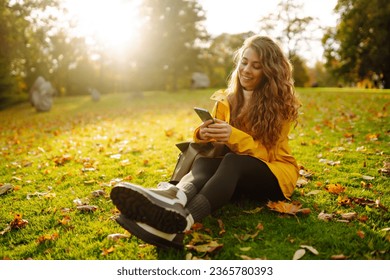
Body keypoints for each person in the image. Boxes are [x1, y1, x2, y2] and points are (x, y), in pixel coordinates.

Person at [110, 35, 301, 249]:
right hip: (234, 172)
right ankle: (173, 199)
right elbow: (211, 144)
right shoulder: (227, 100)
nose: (246, 70)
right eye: (244, 62)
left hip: (275, 174)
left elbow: (268, 154)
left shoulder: (279, 106)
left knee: (232, 161)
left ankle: (181, 223)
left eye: (256, 66)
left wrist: (232, 135)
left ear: (269, 71)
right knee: (203, 162)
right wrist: (204, 133)